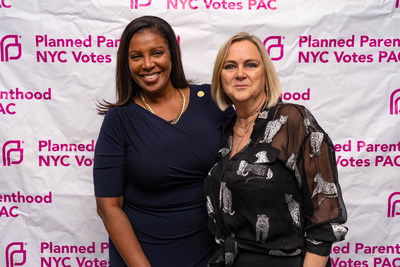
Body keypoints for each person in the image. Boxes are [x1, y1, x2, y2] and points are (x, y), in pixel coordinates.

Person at [93, 16, 233, 267]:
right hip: (145, 254)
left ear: (172, 54)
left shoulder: (211, 101)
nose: (147, 64)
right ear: (126, 63)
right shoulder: (120, 119)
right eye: (136, 56)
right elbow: (108, 207)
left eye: (157, 52)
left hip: (213, 252)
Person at [204, 32, 348, 267]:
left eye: (250, 65)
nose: (240, 73)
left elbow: (324, 218)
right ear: (220, 77)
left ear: (265, 74)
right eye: (230, 66)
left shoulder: (292, 119)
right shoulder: (226, 131)